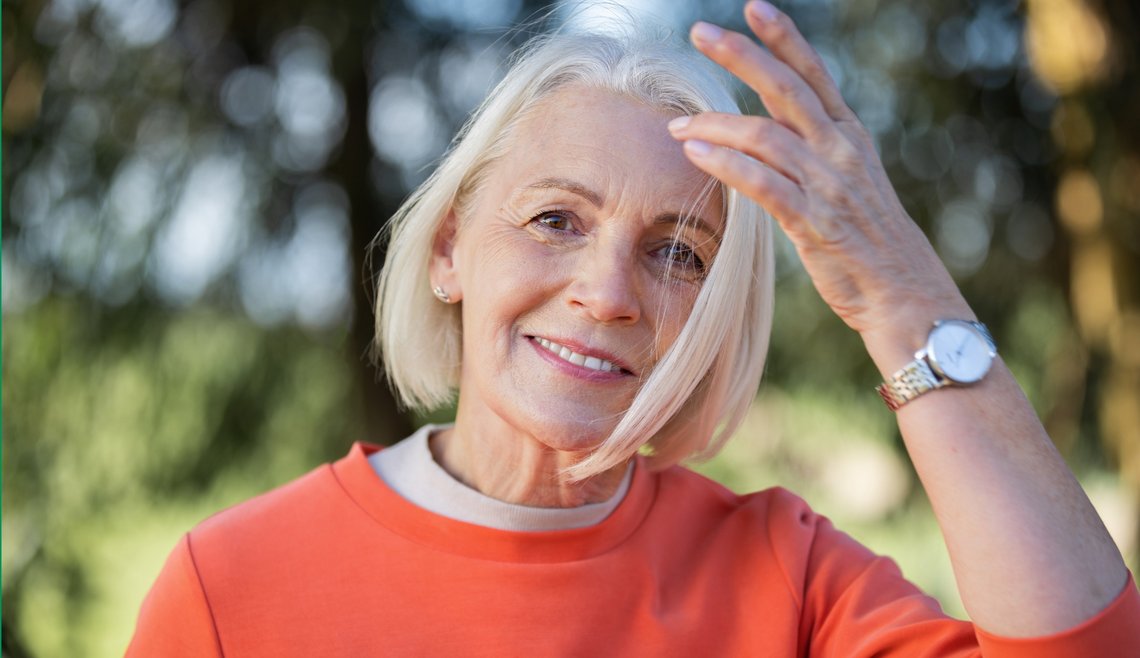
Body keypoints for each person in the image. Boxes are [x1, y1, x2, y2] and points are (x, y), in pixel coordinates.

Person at [127, 2, 1140, 655]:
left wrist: (901, 294)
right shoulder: (230, 587)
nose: (609, 292)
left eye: (677, 252)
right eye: (555, 219)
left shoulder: (785, 577)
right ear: (447, 250)